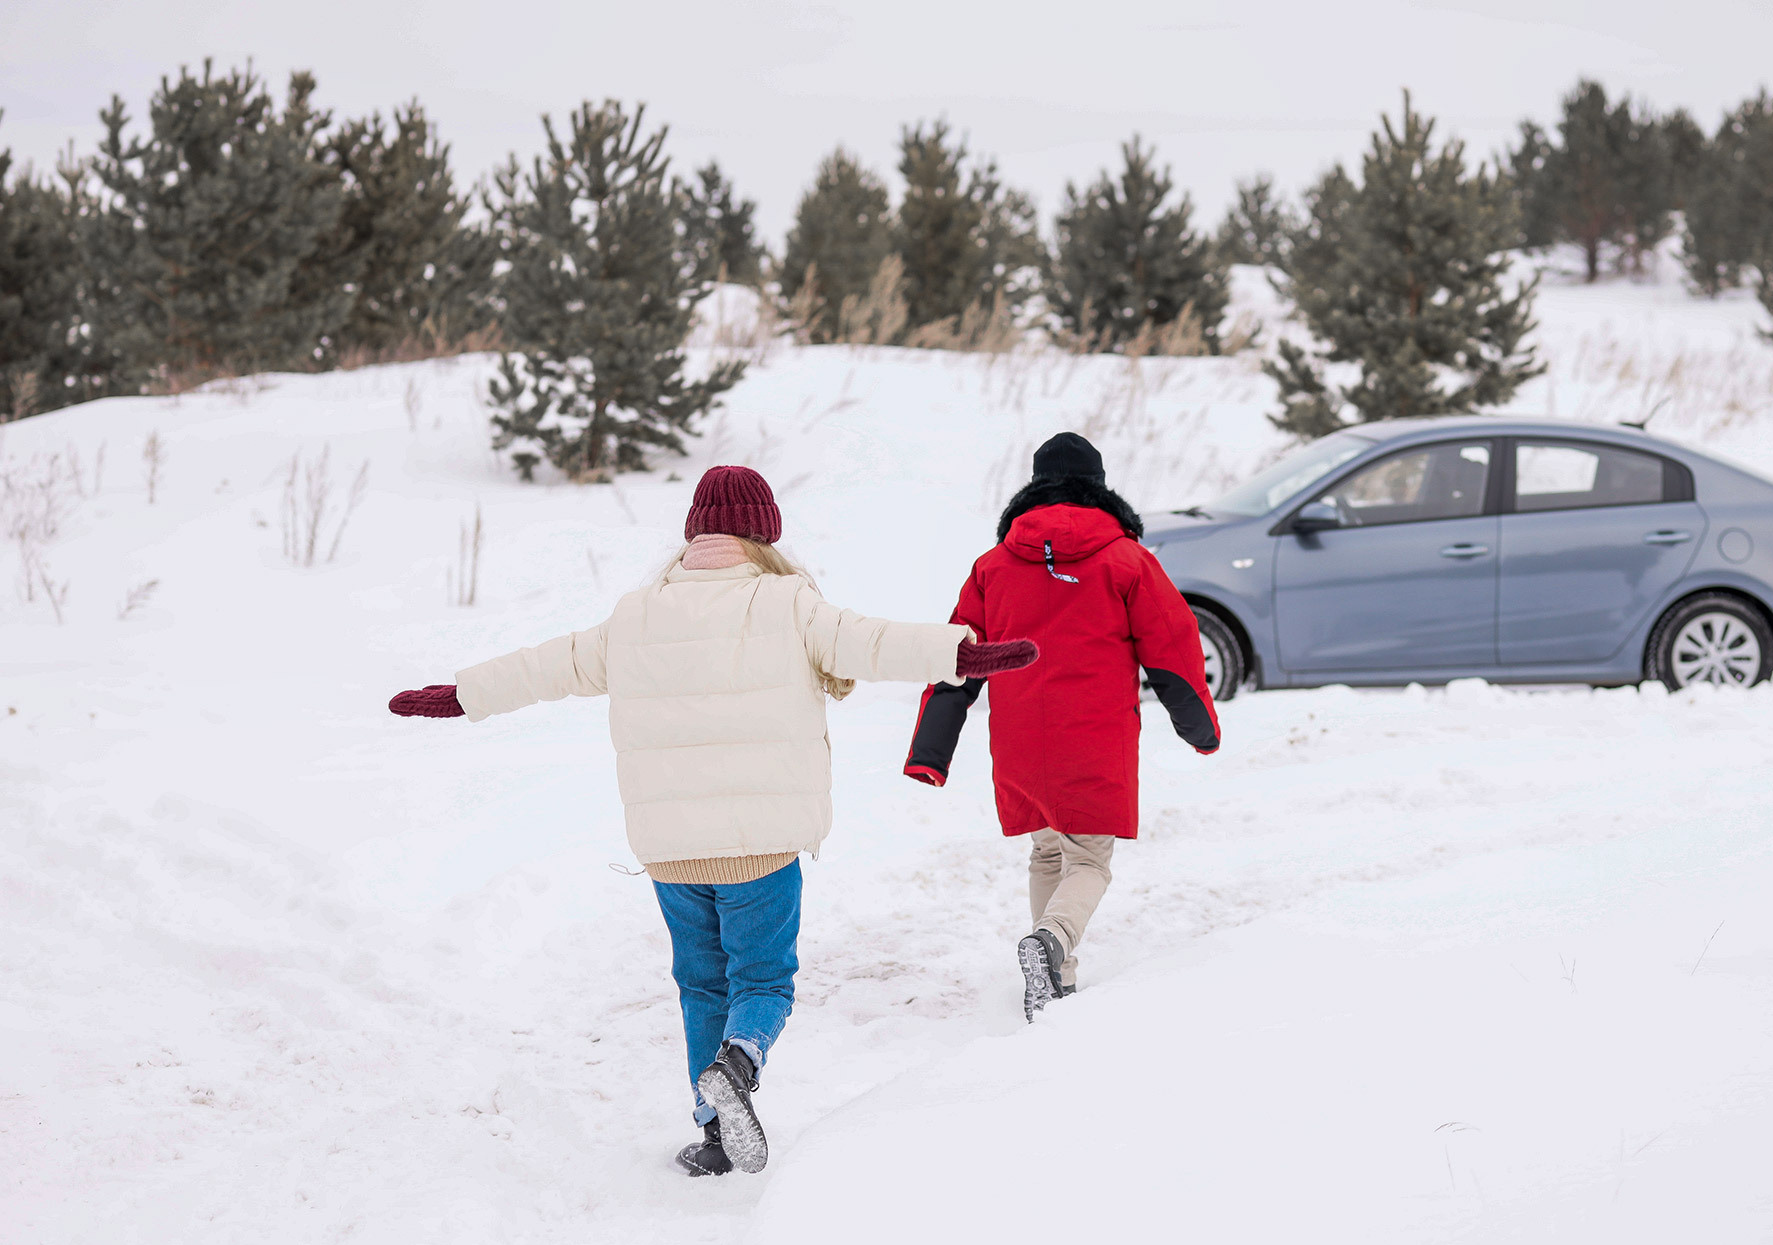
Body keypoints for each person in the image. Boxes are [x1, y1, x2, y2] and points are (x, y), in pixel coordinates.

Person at [386, 465, 1037, 1176]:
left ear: (695, 532)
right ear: (765, 534)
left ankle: (716, 1137)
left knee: (701, 985)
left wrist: (460, 694)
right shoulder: (790, 603)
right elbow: (872, 642)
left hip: (670, 853)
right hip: (760, 848)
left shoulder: (636, 615)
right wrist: (960, 655)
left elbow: (548, 665)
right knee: (761, 982)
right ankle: (743, 1057)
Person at [903, 432, 1220, 1019]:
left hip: (1020, 739)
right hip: (1095, 737)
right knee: (1090, 861)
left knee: (1048, 854)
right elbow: (1173, 646)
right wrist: (1199, 727)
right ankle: (1052, 943)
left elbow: (957, 654)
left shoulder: (993, 567)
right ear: (1098, 490)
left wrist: (932, 748)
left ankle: (1055, 983)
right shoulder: (1127, 560)